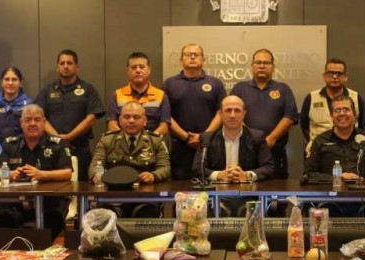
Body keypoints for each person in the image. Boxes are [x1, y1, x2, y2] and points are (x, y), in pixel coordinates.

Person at [0, 104, 73, 240]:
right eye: (28, 120)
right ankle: (11, 248)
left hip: (49, 202)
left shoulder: (58, 144)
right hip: (16, 202)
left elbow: (67, 173)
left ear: (44, 122)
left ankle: (42, 248)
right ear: (21, 122)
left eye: (37, 119)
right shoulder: (10, 144)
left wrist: (41, 175)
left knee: (54, 216)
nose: (32, 124)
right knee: (2, 215)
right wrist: (11, 174)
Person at [303, 96, 365, 216]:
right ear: (331, 115)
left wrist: (364, 181)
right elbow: (308, 174)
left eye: (346, 109)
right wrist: (336, 179)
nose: (342, 114)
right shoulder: (320, 141)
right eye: (337, 110)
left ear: (354, 114)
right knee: (326, 211)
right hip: (329, 200)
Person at [35, 49, 105, 181]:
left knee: (82, 186)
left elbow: (91, 119)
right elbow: (40, 117)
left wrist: (69, 137)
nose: (65, 66)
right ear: (57, 67)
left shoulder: (88, 89)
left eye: (69, 63)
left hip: (80, 148)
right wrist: (59, 139)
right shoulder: (47, 90)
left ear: (77, 67)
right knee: (52, 187)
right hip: (52, 149)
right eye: (62, 63)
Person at [230, 48, 299, 178]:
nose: (262, 66)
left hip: (275, 149)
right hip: (246, 149)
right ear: (252, 66)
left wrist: (271, 138)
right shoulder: (240, 88)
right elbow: (231, 115)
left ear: (273, 67)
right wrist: (251, 140)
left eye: (266, 63)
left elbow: (290, 116)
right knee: (244, 184)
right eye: (258, 62)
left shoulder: (283, 89)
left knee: (277, 186)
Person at [163, 43, 226, 180]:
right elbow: (165, 115)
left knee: (210, 183)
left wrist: (203, 137)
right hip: (180, 146)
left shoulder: (216, 83)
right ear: (181, 59)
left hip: (209, 145)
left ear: (203, 59)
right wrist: (186, 137)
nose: (192, 57)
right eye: (188, 54)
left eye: (196, 54)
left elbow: (221, 113)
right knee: (180, 186)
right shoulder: (169, 84)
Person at [193, 95, 274, 183]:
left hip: (248, 189)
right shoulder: (207, 138)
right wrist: (219, 175)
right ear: (220, 114)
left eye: (237, 110)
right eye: (228, 110)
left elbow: (268, 167)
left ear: (244, 114)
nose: (233, 115)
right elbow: (197, 168)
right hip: (218, 189)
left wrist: (247, 175)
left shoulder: (257, 137)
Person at [89, 101, 170, 185]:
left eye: (136, 117)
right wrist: (97, 176)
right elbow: (95, 165)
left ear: (145, 120)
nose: (131, 121)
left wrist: (153, 176)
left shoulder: (155, 141)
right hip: (115, 188)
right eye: (127, 117)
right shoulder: (107, 140)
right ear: (120, 120)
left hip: (146, 188)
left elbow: (165, 168)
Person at [300, 58, 365, 153]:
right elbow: (305, 127)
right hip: (318, 151)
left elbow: (363, 127)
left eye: (339, 74)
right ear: (324, 77)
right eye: (330, 73)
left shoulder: (356, 97)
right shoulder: (311, 97)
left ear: (345, 77)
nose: (335, 77)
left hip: (350, 152)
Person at [107, 52, 171, 136]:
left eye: (142, 67)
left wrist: (147, 140)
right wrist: (126, 140)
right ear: (127, 71)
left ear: (149, 70)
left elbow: (164, 127)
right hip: (123, 143)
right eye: (133, 67)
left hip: (152, 142)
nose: (138, 70)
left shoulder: (161, 96)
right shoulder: (117, 95)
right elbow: (112, 125)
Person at [0, 67, 31, 170]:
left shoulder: (28, 104)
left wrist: (16, 150)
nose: (10, 83)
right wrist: (0, 151)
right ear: (1, 82)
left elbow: (30, 129)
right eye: (7, 79)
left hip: (20, 155)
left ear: (20, 82)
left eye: (14, 79)